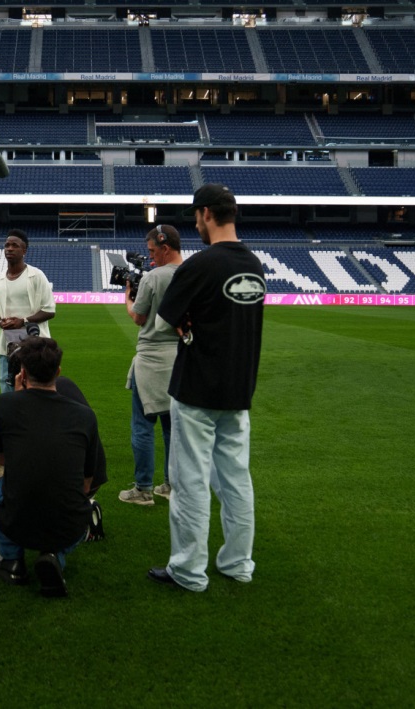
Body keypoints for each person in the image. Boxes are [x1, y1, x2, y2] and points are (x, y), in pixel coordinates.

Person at [147, 184, 266, 592]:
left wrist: (187, 321)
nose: (195, 225)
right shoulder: (254, 264)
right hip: (239, 388)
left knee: (190, 481)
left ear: (205, 214)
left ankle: (188, 570)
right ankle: (238, 563)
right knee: (236, 479)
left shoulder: (200, 265)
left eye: (196, 217)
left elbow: (163, 323)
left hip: (197, 388)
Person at [0, 337, 100, 597]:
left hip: (17, 520)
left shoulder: (3, 405)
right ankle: (54, 555)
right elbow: (86, 485)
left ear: (22, 373)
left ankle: (11, 558)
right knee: (68, 496)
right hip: (70, 526)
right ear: (58, 372)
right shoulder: (85, 416)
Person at [118, 224, 184, 506]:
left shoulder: (154, 277)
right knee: (172, 427)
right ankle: (171, 485)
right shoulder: (192, 273)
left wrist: (127, 297)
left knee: (143, 426)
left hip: (151, 357)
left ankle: (143, 489)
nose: (151, 257)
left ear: (165, 248)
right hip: (180, 357)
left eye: (153, 251)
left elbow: (138, 317)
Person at [0, 228, 56, 393]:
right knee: (7, 391)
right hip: (7, 347)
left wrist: (23, 321)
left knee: (34, 391)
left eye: (14, 245)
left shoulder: (37, 276)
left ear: (24, 250)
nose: (9, 248)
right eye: (7, 245)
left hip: (35, 347)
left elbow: (49, 310)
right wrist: (0, 322)